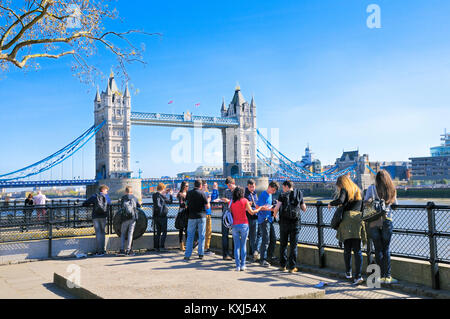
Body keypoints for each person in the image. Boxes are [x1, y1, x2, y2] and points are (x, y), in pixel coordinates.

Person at [328, 175, 366, 285]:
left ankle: (348, 272)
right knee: (357, 250)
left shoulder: (345, 189)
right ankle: (358, 276)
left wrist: (331, 203)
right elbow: (362, 206)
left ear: (341, 184)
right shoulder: (358, 190)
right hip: (358, 220)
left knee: (347, 249)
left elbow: (341, 200)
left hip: (347, 221)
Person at [364, 170, 398, 284]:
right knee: (386, 249)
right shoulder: (391, 189)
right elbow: (395, 206)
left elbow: (366, 203)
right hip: (387, 221)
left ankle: (378, 277)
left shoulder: (371, 189)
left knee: (378, 249)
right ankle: (387, 277)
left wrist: (372, 202)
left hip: (373, 222)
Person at [230, 186, 268, 271]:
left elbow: (232, 211)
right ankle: (243, 265)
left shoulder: (232, 202)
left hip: (235, 225)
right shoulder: (245, 200)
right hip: (244, 224)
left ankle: (237, 266)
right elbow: (252, 212)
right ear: (242, 193)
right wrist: (261, 208)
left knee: (236, 246)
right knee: (243, 245)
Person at [273, 180, 306, 273]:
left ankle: (283, 265)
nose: (283, 189)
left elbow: (276, 208)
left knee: (283, 244)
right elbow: (304, 208)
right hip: (295, 223)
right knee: (293, 246)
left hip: (284, 223)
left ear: (286, 186)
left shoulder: (282, 195)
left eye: (283, 187)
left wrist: (275, 215)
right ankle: (292, 267)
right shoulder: (299, 194)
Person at [184, 179, 210, 261]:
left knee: (190, 236)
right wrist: (208, 200)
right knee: (202, 235)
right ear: (201, 185)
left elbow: (186, 204)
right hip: (201, 216)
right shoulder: (202, 193)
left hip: (191, 217)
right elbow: (207, 207)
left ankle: (187, 255)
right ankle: (200, 254)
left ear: (194, 185)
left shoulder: (189, 193)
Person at [82, 185, 111, 256]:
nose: (107, 192)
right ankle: (103, 250)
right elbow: (109, 203)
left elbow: (85, 203)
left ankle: (99, 251)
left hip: (95, 216)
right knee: (103, 232)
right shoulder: (106, 197)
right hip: (103, 216)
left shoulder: (94, 196)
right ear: (103, 190)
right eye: (106, 191)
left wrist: (93, 204)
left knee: (98, 233)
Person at [256, 181, 279, 266]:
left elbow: (268, 206)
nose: (274, 192)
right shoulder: (263, 195)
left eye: (274, 191)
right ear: (269, 187)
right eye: (273, 190)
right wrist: (270, 209)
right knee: (266, 240)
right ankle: (262, 259)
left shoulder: (270, 195)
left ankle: (270, 256)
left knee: (273, 239)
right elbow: (258, 207)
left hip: (269, 219)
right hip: (263, 220)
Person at [119, 186, 142, 256]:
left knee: (122, 234)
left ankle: (122, 250)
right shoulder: (134, 198)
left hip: (124, 218)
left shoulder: (123, 198)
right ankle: (128, 250)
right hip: (133, 218)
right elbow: (138, 206)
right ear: (131, 191)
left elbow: (121, 207)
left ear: (125, 192)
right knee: (130, 233)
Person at [152, 183, 173, 252]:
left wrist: (164, 192)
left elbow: (158, 195)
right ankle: (162, 246)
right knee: (164, 231)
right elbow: (170, 202)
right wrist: (170, 194)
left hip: (156, 216)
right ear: (163, 188)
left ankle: (156, 247)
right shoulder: (162, 196)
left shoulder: (154, 195)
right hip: (163, 216)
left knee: (158, 232)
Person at [244, 179, 261, 262]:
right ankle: (254, 254)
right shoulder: (245, 194)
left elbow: (256, 203)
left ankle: (254, 252)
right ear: (248, 186)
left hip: (256, 216)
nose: (252, 188)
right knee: (252, 236)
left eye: (253, 186)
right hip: (249, 217)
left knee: (256, 235)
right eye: (250, 187)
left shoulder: (255, 193)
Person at [220, 177, 236, 260]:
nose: (228, 187)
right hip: (227, 215)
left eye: (229, 185)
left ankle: (233, 253)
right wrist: (223, 200)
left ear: (233, 183)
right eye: (227, 186)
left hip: (233, 215)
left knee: (234, 235)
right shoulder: (226, 191)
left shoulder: (238, 191)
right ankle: (226, 254)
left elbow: (239, 203)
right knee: (226, 235)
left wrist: (228, 201)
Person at [177, 181, 189, 251]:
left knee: (188, 229)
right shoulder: (180, 194)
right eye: (187, 186)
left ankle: (188, 244)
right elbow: (182, 204)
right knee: (181, 229)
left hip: (187, 213)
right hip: (182, 213)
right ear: (184, 187)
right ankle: (181, 245)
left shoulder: (188, 193)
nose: (187, 187)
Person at [203, 180, 214, 255]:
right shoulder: (204, 193)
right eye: (205, 185)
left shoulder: (206, 193)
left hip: (206, 213)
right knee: (207, 231)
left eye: (206, 185)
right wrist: (208, 200)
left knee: (206, 231)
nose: (206, 186)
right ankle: (206, 248)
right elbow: (207, 203)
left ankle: (204, 247)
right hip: (205, 213)